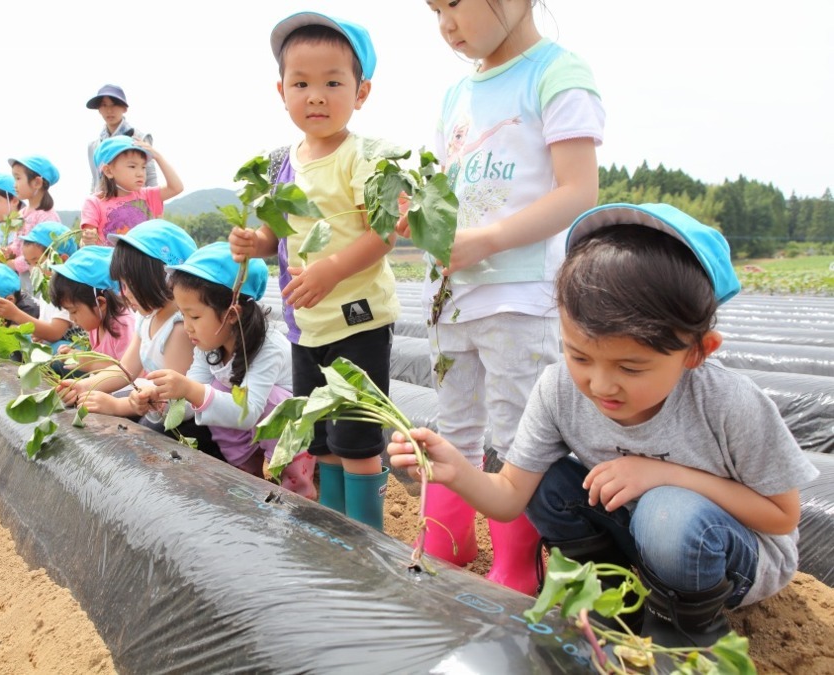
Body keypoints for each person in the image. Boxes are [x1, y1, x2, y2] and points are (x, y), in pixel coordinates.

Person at [388, 203, 819, 647]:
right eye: (579, 356)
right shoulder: (558, 390)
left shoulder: (728, 403)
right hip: (639, 539)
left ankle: (682, 638)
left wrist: (662, 475)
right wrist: (456, 470)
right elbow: (512, 496)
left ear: (698, 351)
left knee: (667, 512)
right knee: (547, 480)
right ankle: (613, 601)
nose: (600, 384)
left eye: (631, 368)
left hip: (730, 558)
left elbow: (782, 516)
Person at [393, 0, 605, 593]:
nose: (446, 25)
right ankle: (450, 536)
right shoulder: (456, 95)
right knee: (456, 421)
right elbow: (444, 189)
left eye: (455, 5)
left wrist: (486, 238)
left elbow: (578, 190)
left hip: (521, 293)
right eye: (434, 11)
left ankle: (518, 558)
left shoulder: (555, 74)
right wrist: (420, 218)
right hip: (451, 295)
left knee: (519, 434)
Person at [229, 12, 398, 528]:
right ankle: (335, 530)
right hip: (307, 327)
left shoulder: (366, 157)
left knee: (357, 437)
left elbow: (384, 231)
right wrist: (253, 241)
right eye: (301, 83)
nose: (316, 96)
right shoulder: (283, 162)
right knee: (322, 435)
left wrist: (330, 270)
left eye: (332, 82)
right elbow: (275, 236)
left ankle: (367, 537)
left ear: (361, 91)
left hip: (359, 319)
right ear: (281, 91)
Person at [132, 242, 316, 499]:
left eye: (194, 317)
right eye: (183, 316)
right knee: (212, 392)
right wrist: (162, 401)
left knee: (269, 402)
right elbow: (192, 398)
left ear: (231, 314)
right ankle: (246, 472)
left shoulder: (268, 347)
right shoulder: (209, 346)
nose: (187, 327)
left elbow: (250, 411)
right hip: (248, 424)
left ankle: (298, 489)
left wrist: (191, 390)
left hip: (291, 427)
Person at [56, 219, 196, 420]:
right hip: (150, 402)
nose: (125, 293)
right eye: (122, 283)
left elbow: (173, 404)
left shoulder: (178, 328)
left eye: (131, 284)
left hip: (178, 417)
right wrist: (83, 386)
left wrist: (116, 406)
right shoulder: (147, 317)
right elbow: (126, 370)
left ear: (165, 278)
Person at [0, 221, 80, 353]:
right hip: (54, 343)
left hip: (68, 346)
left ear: (63, 260)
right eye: (29, 263)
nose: (33, 269)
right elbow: (46, 327)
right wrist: (38, 335)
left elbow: (54, 332)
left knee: (56, 351)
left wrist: (15, 314)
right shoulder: (46, 290)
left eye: (37, 262)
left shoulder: (68, 290)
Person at [80, 135, 183, 246]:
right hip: (110, 262)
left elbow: (176, 187)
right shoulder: (94, 202)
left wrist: (158, 157)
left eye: (143, 167)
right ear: (108, 171)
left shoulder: (147, 196)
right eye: (132, 166)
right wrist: (87, 240)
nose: (140, 173)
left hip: (144, 262)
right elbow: (85, 241)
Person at [48, 245, 135, 368]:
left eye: (73, 311)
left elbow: (127, 372)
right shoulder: (96, 321)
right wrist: (76, 355)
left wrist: (85, 361)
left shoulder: (123, 326)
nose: (72, 319)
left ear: (101, 303)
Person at [86, 84, 160, 192]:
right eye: (104, 105)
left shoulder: (138, 137)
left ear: (124, 108)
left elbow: (150, 175)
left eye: (114, 104)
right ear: (99, 109)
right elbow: (96, 178)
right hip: (104, 204)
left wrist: (154, 203)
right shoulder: (94, 146)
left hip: (135, 203)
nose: (109, 110)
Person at [6, 155, 62, 295]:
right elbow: (18, 244)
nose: (14, 184)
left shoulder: (47, 216)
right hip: (24, 278)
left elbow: (44, 255)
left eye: (18, 178)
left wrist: (15, 264)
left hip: (41, 280)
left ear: (37, 182)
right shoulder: (22, 213)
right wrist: (9, 251)